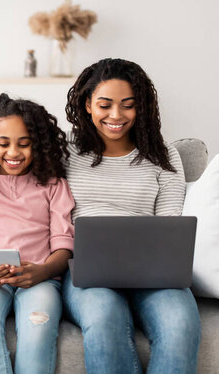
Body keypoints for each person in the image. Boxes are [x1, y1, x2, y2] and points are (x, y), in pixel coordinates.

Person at [61, 58, 200, 374]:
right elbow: (5, 143)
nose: (115, 115)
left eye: (128, 105)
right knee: (103, 318)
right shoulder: (64, 149)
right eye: (105, 105)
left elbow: (169, 223)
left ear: (142, 107)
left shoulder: (162, 154)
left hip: (154, 271)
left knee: (180, 325)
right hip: (85, 269)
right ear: (87, 104)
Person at [0, 93, 74, 374]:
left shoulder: (54, 184)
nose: (13, 153)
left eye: (24, 144)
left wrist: (42, 272)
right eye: (4, 143)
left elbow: (64, 244)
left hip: (40, 278)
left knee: (39, 327)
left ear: (38, 144)